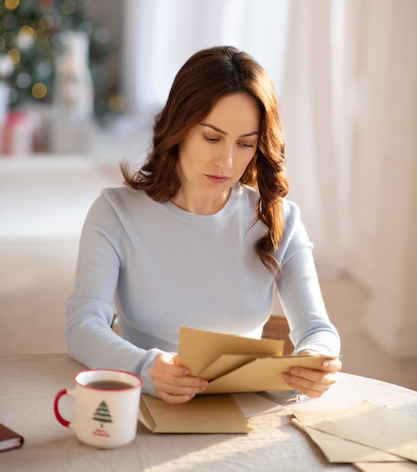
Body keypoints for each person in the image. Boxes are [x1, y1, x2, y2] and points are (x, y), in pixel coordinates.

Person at [66, 46, 342, 404]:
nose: (226, 160)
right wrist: (145, 368)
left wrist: (315, 358)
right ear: (178, 128)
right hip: (146, 402)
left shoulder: (280, 219)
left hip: (243, 407)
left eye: (245, 144)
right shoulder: (114, 213)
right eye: (211, 137)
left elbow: (318, 329)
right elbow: (82, 327)